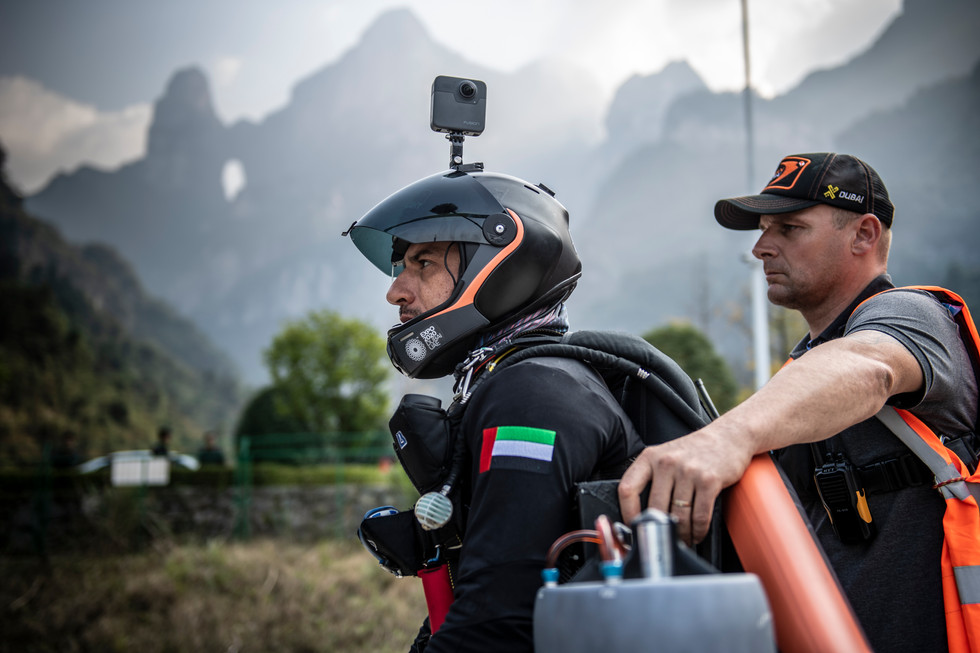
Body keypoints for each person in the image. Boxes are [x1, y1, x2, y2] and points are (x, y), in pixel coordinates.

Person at [618, 152, 978, 653]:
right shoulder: (803, 370)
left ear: (864, 235)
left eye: (789, 228)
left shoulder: (913, 317)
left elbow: (869, 365)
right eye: (763, 229)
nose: (761, 248)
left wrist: (726, 437)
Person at [346, 169, 645, 652]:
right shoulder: (514, 380)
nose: (395, 291)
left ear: (501, 263)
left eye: (422, 264)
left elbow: (496, 625)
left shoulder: (532, 395)